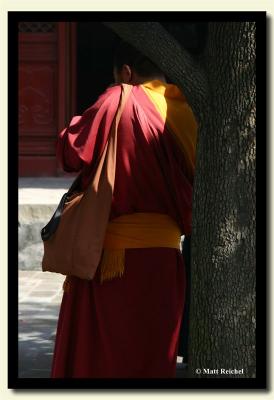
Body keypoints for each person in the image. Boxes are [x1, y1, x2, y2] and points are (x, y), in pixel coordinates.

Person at [51, 40, 197, 378]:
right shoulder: (187, 113)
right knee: (152, 359)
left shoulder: (120, 97)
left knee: (103, 362)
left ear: (126, 73)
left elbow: (71, 152)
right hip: (165, 260)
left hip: (113, 262)